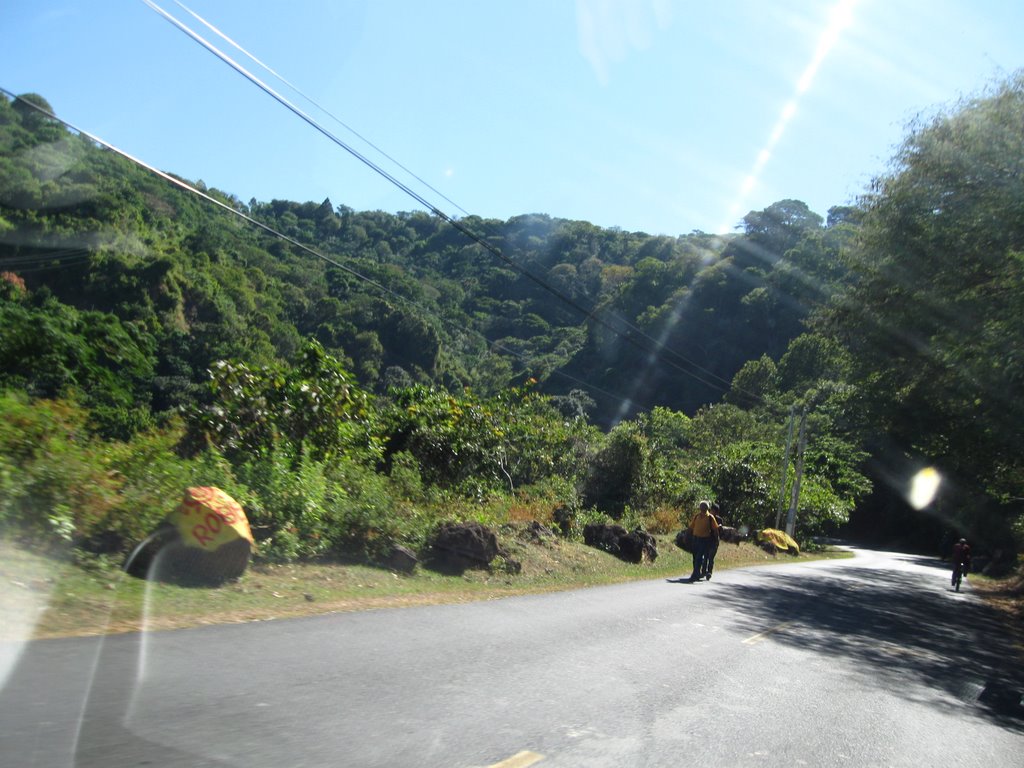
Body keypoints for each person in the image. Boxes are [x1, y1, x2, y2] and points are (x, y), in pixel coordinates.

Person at [688, 500, 720, 582]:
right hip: (695, 539)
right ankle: (697, 573)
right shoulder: (696, 516)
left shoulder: (710, 518)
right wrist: (686, 536)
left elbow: (715, 530)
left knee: (699, 557)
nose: (702, 508)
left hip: (704, 540)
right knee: (695, 558)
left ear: (707, 508)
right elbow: (691, 527)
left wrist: (716, 540)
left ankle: (695, 574)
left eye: (704, 507)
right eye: (701, 506)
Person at [704, 502, 724, 580]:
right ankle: (703, 571)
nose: (713, 512)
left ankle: (709, 572)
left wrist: (719, 528)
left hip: (714, 540)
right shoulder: (706, 517)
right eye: (712, 510)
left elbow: (720, 531)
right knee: (705, 556)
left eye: (715, 511)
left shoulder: (719, 519)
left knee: (711, 557)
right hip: (706, 539)